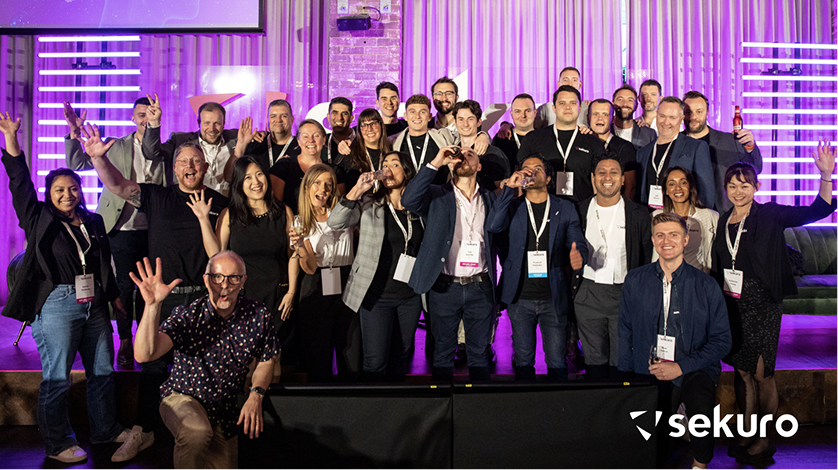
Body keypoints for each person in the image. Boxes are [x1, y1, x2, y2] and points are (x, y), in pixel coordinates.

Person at [82, 123, 229, 462]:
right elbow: (118, 185)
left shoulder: (220, 202)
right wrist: (98, 159)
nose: (190, 166)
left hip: (204, 298)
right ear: (174, 168)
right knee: (152, 366)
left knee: (206, 364)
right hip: (163, 297)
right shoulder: (156, 196)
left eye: (196, 161)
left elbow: (222, 253)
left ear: (206, 166)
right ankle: (143, 430)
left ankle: (205, 431)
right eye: (183, 161)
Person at [1, 113, 128, 463]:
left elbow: (103, 263)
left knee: (102, 371)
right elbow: (19, 182)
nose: (68, 194)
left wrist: (114, 297)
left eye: (73, 188)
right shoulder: (39, 218)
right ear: (49, 194)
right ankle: (57, 444)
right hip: (57, 303)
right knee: (57, 377)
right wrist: (11, 139)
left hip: (95, 303)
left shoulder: (93, 221)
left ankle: (105, 430)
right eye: (59, 190)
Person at [711, 144, 837, 465]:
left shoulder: (769, 214)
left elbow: (818, 210)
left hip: (764, 303)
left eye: (745, 185)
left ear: (757, 187)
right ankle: (748, 432)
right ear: (726, 188)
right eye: (732, 185)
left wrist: (826, 175)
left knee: (762, 373)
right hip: (734, 304)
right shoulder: (723, 220)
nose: (738, 191)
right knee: (742, 372)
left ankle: (765, 439)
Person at [131, 252, 279, 470]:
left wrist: (256, 395)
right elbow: (144, 354)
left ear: (243, 281)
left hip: (225, 410)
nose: (224, 285)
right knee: (196, 432)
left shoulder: (258, 315)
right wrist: (152, 306)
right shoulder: (189, 315)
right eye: (217, 277)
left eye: (233, 278)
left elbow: (267, 360)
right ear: (206, 280)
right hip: (183, 397)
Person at [619, 212, 731, 470]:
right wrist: (627, 378)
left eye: (673, 235)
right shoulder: (635, 280)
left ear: (685, 240)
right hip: (650, 367)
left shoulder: (706, 285)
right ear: (653, 240)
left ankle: (700, 464)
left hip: (695, 366)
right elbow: (625, 330)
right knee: (652, 440)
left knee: (700, 408)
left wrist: (681, 366)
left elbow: (722, 341)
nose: (666, 241)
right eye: (660, 235)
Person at [63, 96, 167, 367]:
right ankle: (125, 339)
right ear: (133, 118)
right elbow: (76, 164)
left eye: (151, 114)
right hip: (120, 227)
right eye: (141, 115)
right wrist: (73, 133)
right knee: (124, 286)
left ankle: (147, 338)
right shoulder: (115, 144)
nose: (146, 119)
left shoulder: (164, 150)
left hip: (154, 228)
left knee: (149, 287)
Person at [188, 156, 298, 372]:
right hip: (242, 298)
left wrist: (291, 292)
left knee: (274, 361)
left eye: (259, 175)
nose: (256, 182)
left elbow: (293, 254)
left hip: (277, 297)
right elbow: (216, 255)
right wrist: (203, 219)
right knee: (245, 362)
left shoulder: (283, 212)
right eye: (248, 177)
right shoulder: (230, 215)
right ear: (239, 183)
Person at [487, 155, 588, 381]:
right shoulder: (512, 207)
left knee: (557, 361)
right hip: (520, 298)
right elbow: (493, 225)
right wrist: (509, 188)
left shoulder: (565, 208)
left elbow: (577, 240)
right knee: (523, 360)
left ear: (549, 178)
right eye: (526, 169)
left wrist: (579, 255)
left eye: (537, 168)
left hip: (553, 297)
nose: (530, 172)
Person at [402, 146, 498, 381]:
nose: (462, 157)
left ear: (479, 166)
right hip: (445, 287)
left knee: (479, 354)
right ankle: (443, 402)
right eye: (458, 155)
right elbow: (409, 199)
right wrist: (436, 162)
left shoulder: (490, 197)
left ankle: (478, 401)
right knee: (443, 353)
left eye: (469, 155)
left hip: (480, 286)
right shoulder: (436, 194)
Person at [328, 151, 425, 381]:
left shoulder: (417, 208)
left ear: (407, 172)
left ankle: (396, 403)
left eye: (395, 164)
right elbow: (335, 222)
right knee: (375, 360)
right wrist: (357, 190)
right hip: (376, 296)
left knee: (401, 356)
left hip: (409, 296)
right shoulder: (369, 204)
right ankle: (373, 403)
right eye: (385, 164)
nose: (388, 169)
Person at [575, 153, 653, 379]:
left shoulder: (639, 214)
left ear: (623, 179)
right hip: (588, 293)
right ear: (593, 178)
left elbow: (647, 256)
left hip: (624, 294)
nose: (607, 177)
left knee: (622, 360)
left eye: (613, 173)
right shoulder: (578, 211)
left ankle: (620, 401)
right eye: (601, 173)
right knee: (594, 361)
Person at [290, 164, 361, 382]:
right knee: (317, 356)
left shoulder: (344, 214)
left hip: (347, 281)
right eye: (317, 183)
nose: (323, 189)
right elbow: (310, 268)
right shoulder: (299, 221)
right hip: (316, 285)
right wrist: (300, 245)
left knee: (351, 354)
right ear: (307, 187)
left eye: (328, 184)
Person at [516, 85, 606, 204]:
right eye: (562, 103)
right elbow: (520, 176)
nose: (567, 107)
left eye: (573, 103)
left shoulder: (593, 142)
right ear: (554, 108)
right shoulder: (533, 138)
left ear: (579, 108)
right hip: (542, 208)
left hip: (582, 209)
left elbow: (599, 181)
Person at [683, 90, 763, 212]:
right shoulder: (675, 142)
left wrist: (750, 147)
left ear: (707, 113)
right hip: (686, 214)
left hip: (723, 213)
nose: (694, 117)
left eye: (699, 111)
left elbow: (756, 168)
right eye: (689, 112)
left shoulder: (729, 140)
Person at [143, 101, 238, 196]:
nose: (211, 129)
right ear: (199, 123)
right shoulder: (179, 141)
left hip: (226, 203)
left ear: (224, 123)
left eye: (217, 123)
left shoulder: (236, 139)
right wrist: (154, 122)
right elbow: (152, 153)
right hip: (186, 202)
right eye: (206, 123)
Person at [637, 96, 714, 209]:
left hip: (682, 217)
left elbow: (706, 192)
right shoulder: (643, 152)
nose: (666, 122)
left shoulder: (695, 147)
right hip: (649, 216)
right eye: (662, 116)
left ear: (681, 119)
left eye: (672, 117)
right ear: (656, 115)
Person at [270, 119, 347, 214]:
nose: (311, 140)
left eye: (316, 136)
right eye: (305, 136)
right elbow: (275, 205)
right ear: (298, 141)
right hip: (291, 222)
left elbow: (337, 209)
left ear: (324, 140)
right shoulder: (283, 167)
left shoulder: (335, 171)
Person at [651, 167, 718, 273]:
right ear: (666, 190)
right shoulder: (656, 217)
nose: (678, 188)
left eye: (683, 182)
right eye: (672, 184)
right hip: (665, 278)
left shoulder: (710, 216)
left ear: (690, 187)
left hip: (697, 278)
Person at [453, 100, 510, 192]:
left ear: (479, 122)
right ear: (455, 122)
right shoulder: (453, 151)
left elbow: (504, 190)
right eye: (461, 119)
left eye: (470, 119)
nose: (465, 124)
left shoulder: (494, 154)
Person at [587, 98, 637, 200]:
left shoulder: (625, 147)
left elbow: (630, 187)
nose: (600, 118)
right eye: (595, 114)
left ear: (612, 119)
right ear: (588, 118)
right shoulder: (581, 143)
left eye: (605, 114)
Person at [238, 99, 301, 172]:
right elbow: (232, 174)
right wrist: (241, 144)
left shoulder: (300, 147)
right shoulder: (256, 142)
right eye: (273, 116)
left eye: (284, 116)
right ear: (268, 120)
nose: (278, 120)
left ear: (292, 119)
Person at [337, 108, 393, 189]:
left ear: (381, 125)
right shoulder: (349, 152)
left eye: (373, 123)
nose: (369, 129)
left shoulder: (391, 151)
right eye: (364, 125)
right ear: (359, 129)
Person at [492, 93, 537, 169]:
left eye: (528, 111)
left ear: (535, 113)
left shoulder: (544, 138)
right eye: (518, 111)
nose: (523, 115)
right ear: (511, 114)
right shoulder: (501, 139)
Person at [611, 84, 657, 150]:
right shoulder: (605, 131)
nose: (625, 104)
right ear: (612, 103)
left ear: (636, 105)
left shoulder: (649, 134)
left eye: (630, 100)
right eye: (620, 99)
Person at [324, 97, 356, 173]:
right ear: (328, 117)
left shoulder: (362, 139)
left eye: (344, 113)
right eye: (335, 113)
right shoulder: (322, 143)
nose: (339, 117)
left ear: (351, 118)